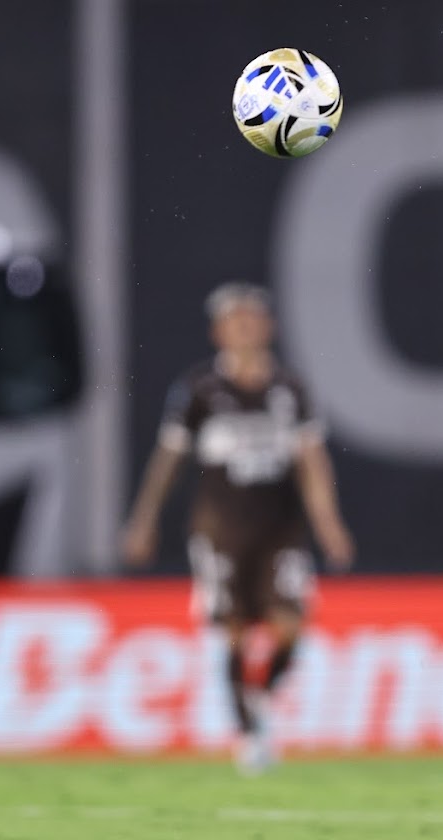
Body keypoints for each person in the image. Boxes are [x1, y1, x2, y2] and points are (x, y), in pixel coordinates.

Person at [120, 281, 356, 773]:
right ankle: (248, 733)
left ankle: (259, 698)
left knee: (289, 626)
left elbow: (312, 461)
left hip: (279, 529)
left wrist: (328, 523)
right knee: (231, 632)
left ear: (268, 326)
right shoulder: (201, 389)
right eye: (234, 320)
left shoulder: (289, 389)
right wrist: (144, 521)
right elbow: (168, 460)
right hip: (221, 530)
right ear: (218, 332)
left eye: (251, 319)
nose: (244, 328)